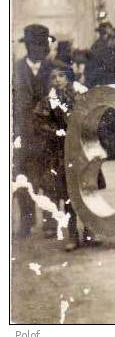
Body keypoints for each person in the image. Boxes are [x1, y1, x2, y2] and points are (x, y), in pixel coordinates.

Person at [33, 61, 90, 251]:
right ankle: (73, 234)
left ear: (69, 77)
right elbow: (40, 122)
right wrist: (56, 132)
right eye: (54, 77)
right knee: (68, 194)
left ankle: (90, 231)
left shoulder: (81, 94)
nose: (58, 81)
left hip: (83, 149)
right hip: (62, 152)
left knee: (87, 190)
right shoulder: (49, 101)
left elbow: (94, 116)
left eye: (62, 76)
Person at [12, 24, 55, 239]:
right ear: (28, 46)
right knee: (23, 178)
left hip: (48, 134)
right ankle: (27, 221)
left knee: (49, 178)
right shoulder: (15, 70)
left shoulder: (53, 68)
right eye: (37, 45)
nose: (42, 50)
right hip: (22, 134)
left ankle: (50, 220)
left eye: (44, 45)